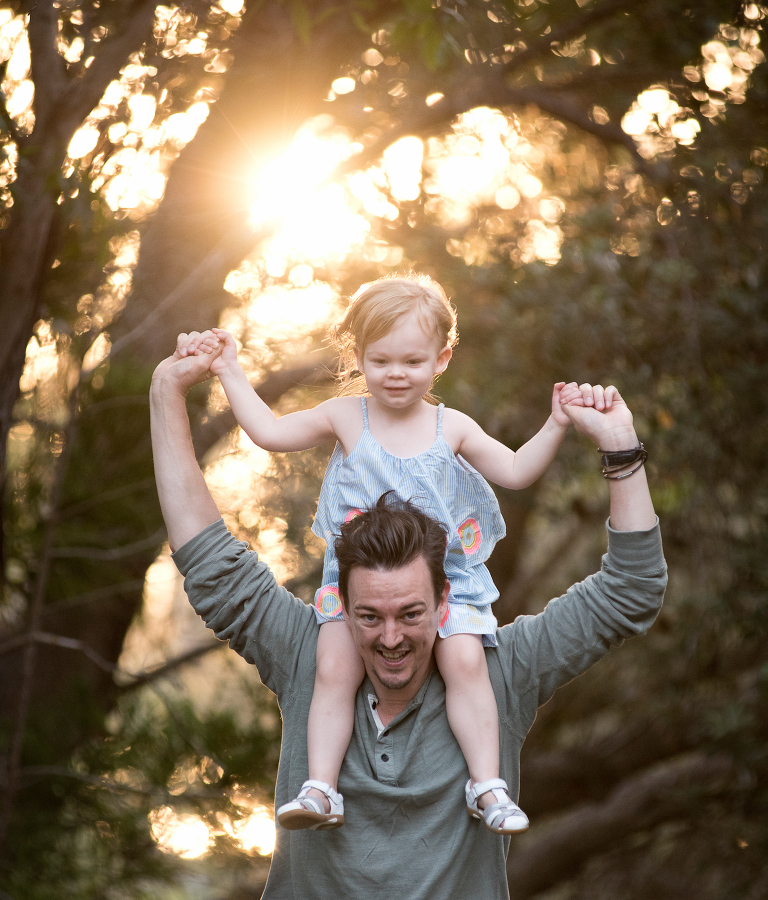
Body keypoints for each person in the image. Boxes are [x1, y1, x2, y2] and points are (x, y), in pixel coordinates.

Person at [150, 323, 666, 900]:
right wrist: (166, 393)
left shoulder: (500, 671)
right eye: (368, 618)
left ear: (447, 602)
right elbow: (204, 551)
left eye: (412, 616)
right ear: (338, 608)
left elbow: (630, 593)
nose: (390, 639)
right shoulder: (304, 655)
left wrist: (620, 452)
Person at [183, 275, 581, 836]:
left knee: (467, 664)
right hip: (358, 587)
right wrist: (227, 369)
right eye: (381, 360)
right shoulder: (347, 417)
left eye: (413, 361)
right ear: (359, 357)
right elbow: (269, 432)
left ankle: (487, 785)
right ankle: (321, 786)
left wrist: (558, 421)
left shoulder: (453, 427)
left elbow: (516, 471)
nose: (397, 374)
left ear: (441, 359)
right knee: (333, 667)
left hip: (445, 583)